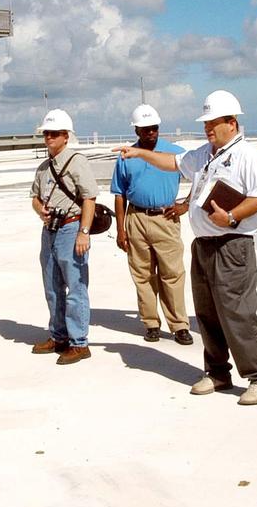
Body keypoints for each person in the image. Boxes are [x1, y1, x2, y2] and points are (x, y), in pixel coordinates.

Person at [117, 90, 257, 405]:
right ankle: (218, 372)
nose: (208, 129)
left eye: (214, 123)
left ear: (232, 123)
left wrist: (230, 215)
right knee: (207, 313)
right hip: (204, 243)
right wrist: (139, 154)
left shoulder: (245, 155)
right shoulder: (205, 153)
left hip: (233, 245)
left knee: (238, 313)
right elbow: (173, 162)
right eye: (206, 124)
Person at [112, 104, 192, 345]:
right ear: (137, 130)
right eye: (145, 129)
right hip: (136, 218)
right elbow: (119, 194)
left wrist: (184, 205)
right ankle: (151, 323)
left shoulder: (175, 153)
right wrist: (120, 229)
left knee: (172, 273)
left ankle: (179, 325)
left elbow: (202, 179)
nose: (150, 132)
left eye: (154, 128)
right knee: (142, 274)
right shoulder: (125, 155)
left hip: (165, 219)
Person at [30, 109, 98, 364]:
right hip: (49, 230)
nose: (49, 138)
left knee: (76, 287)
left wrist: (84, 232)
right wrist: (41, 210)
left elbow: (90, 198)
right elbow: (34, 198)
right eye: (46, 133)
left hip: (71, 227)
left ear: (66, 136)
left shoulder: (76, 161)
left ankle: (79, 342)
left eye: (54, 134)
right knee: (52, 286)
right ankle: (59, 335)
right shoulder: (44, 167)